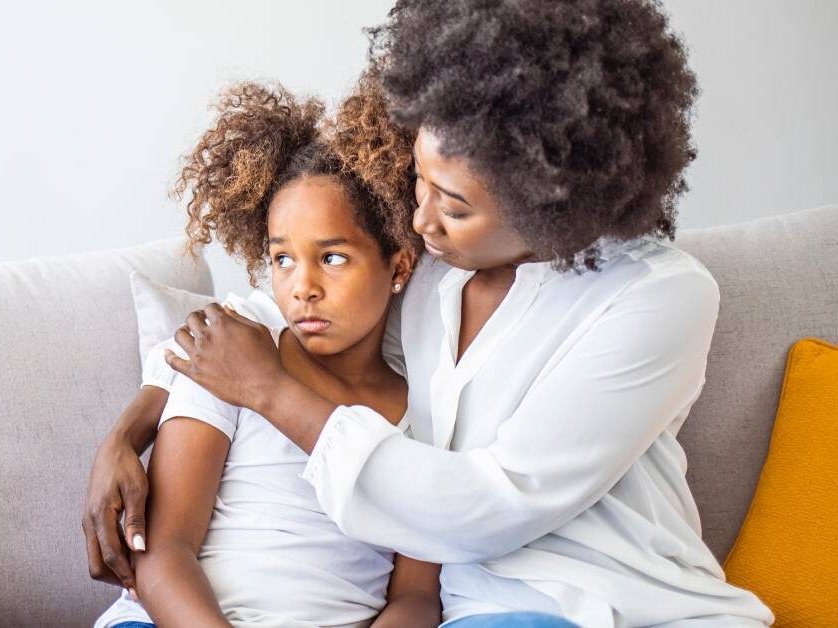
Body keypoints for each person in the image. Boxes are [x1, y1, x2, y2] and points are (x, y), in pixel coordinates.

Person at [86, 1, 774, 625]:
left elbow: (490, 507)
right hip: (476, 609)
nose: (419, 220)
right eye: (419, 180)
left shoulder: (658, 295)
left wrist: (269, 390)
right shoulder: (432, 268)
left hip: (610, 596)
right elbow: (265, 312)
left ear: (548, 199)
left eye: (454, 205)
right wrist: (127, 432)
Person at [94, 78, 443, 628]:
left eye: (332, 258)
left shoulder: (425, 412)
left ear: (398, 267)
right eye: (282, 260)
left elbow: (416, 597)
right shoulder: (232, 352)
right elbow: (165, 549)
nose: (302, 286)